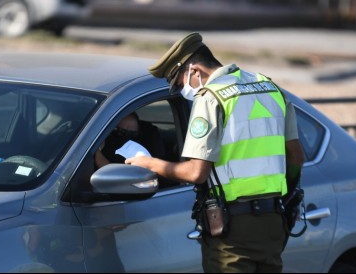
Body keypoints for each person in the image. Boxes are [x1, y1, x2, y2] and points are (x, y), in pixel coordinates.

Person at [125, 32, 305, 273]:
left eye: (180, 83)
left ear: (194, 70)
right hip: (273, 222)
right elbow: (295, 157)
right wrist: (286, 198)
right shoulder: (270, 87)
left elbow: (197, 172)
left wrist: (148, 163)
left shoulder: (211, 98)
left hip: (233, 229)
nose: (182, 90)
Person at [95, 112, 166, 169]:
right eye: (121, 132)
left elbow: (112, 175)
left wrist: (97, 153)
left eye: (132, 134)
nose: (126, 138)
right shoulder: (103, 144)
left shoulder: (141, 156)